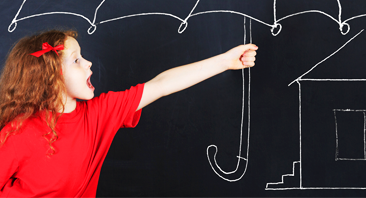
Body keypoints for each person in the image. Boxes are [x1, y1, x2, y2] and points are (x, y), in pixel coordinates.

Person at [0, 29, 257, 197]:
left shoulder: (100, 113)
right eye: (77, 60)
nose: (88, 63)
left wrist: (224, 61)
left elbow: (161, 85)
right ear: (51, 77)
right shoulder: (18, 132)